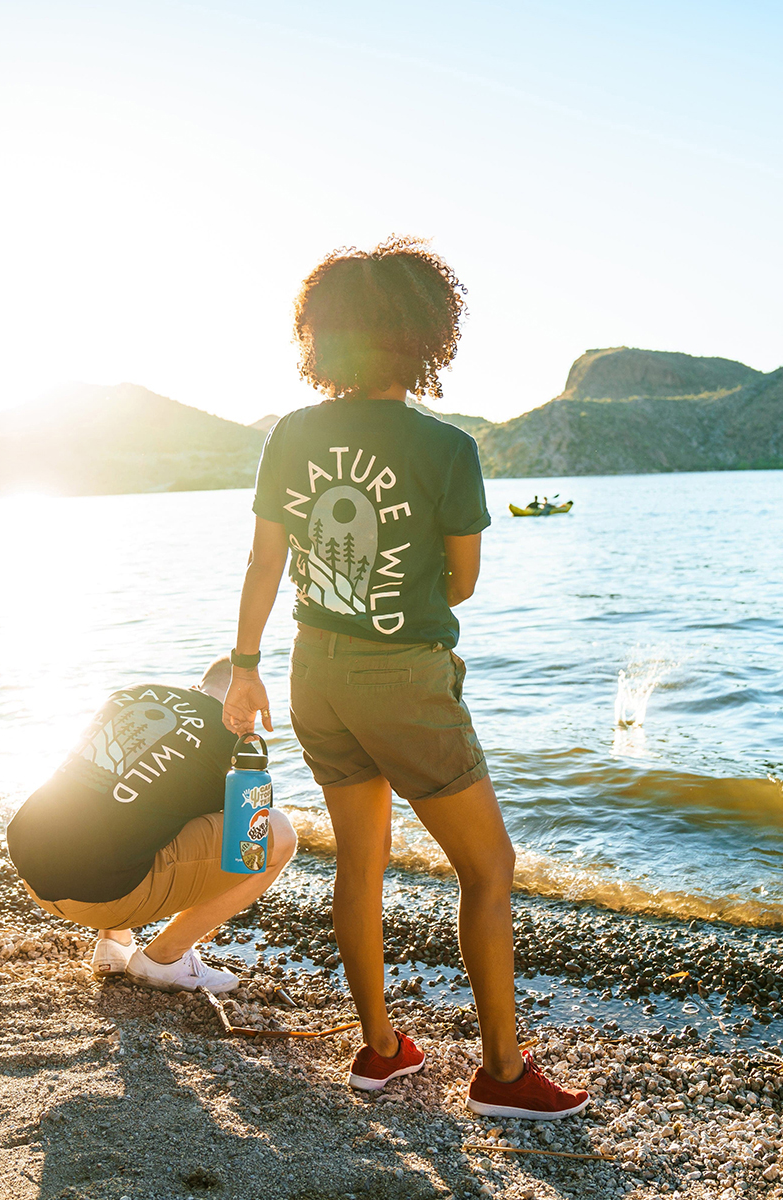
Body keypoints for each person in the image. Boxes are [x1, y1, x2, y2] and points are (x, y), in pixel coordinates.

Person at [222, 236, 588, 1119]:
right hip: (403, 681)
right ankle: (502, 1075)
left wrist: (244, 668)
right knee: (488, 867)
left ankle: (381, 1049)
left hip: (313, 670)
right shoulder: (446, 448)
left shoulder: (291, 434)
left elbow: (266, 563)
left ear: (325, 335)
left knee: (361, 862)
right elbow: (462, 582)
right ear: (425, 335)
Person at [6, 656, 297, 993]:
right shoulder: (229, 737)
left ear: (197, 686)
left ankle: (114, 943)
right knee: (278, 835)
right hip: (98, 896)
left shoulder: (133, 692)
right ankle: (165, 959)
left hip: (32, 872)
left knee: (128, 796)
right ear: (248, 708)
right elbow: (252, 827)